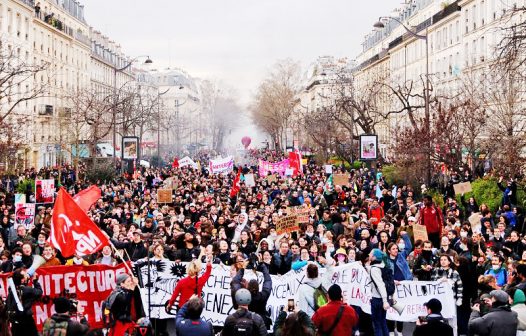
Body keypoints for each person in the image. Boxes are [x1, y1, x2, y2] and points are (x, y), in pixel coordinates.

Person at [6, 268, 43, 336]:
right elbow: (39, 292)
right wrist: (35, 281)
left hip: (15, 324)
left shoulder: (11, 291)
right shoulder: (27, 290)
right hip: (27, 322)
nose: (27, 276)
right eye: (26, 275)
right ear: (22, 280)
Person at [368, 248, 390, 336]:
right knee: (383, 322)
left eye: (370, 254)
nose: (369, 255)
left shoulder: (374, 269)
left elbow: (380, 285)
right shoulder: (383, 266)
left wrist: (384, 300)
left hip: (377, 299)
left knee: (377, 324)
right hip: (383, 299)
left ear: (374, 257)